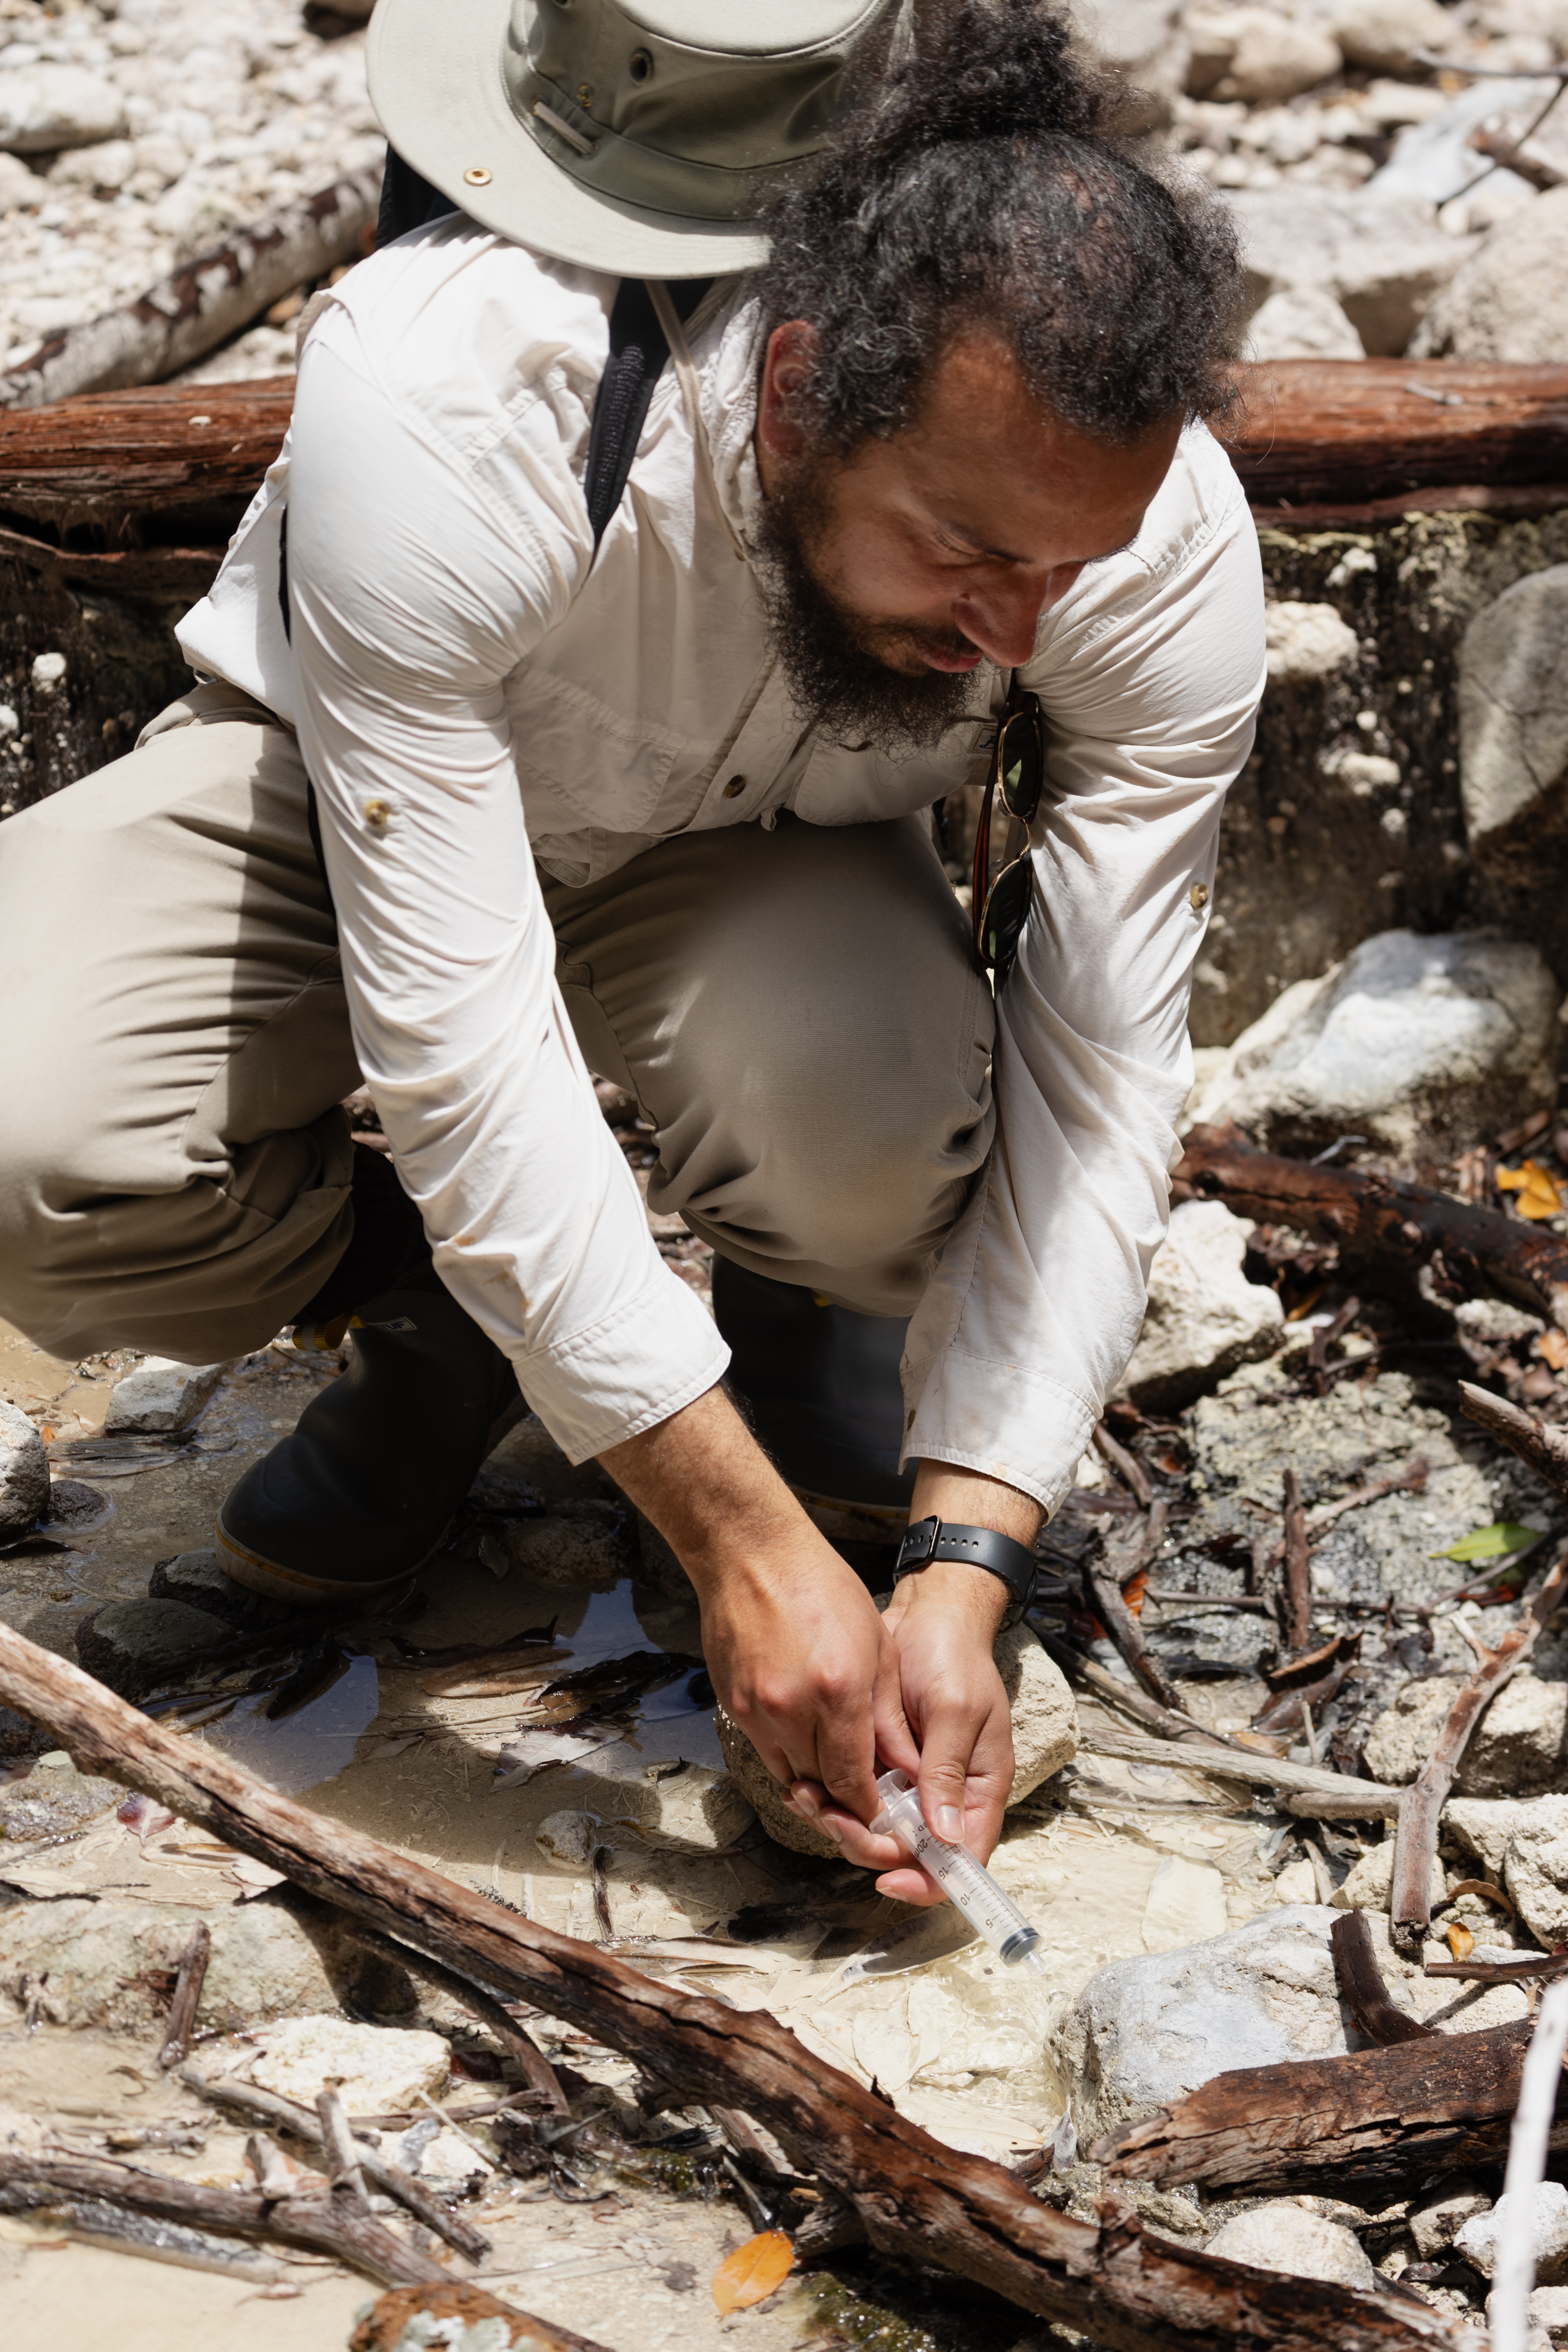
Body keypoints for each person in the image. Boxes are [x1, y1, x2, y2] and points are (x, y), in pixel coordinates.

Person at [0, 0, 1264, 1908]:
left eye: (1063, 576)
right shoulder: (449, 390)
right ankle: (442, 1329)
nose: (1017, 629)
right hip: (356, 812)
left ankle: (796, 1355)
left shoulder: (1136, 535)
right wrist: (740, 1543)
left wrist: (969, 1549)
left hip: (759, 863)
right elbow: (460, 1034)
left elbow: (1100, 1088)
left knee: (887, 1124)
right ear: (798, 396)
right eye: (959, 551)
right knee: (35, 1135)